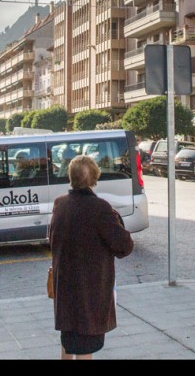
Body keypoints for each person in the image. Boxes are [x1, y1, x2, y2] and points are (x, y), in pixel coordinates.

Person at [48, 154, 134, 360]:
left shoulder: (60, 204)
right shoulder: (100, 208)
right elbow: (124, 246)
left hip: (65, 288)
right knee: (85, 344)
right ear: (95, 178)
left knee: (68, 340)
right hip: (89, 290)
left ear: (70, 177)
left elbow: (52, 238)